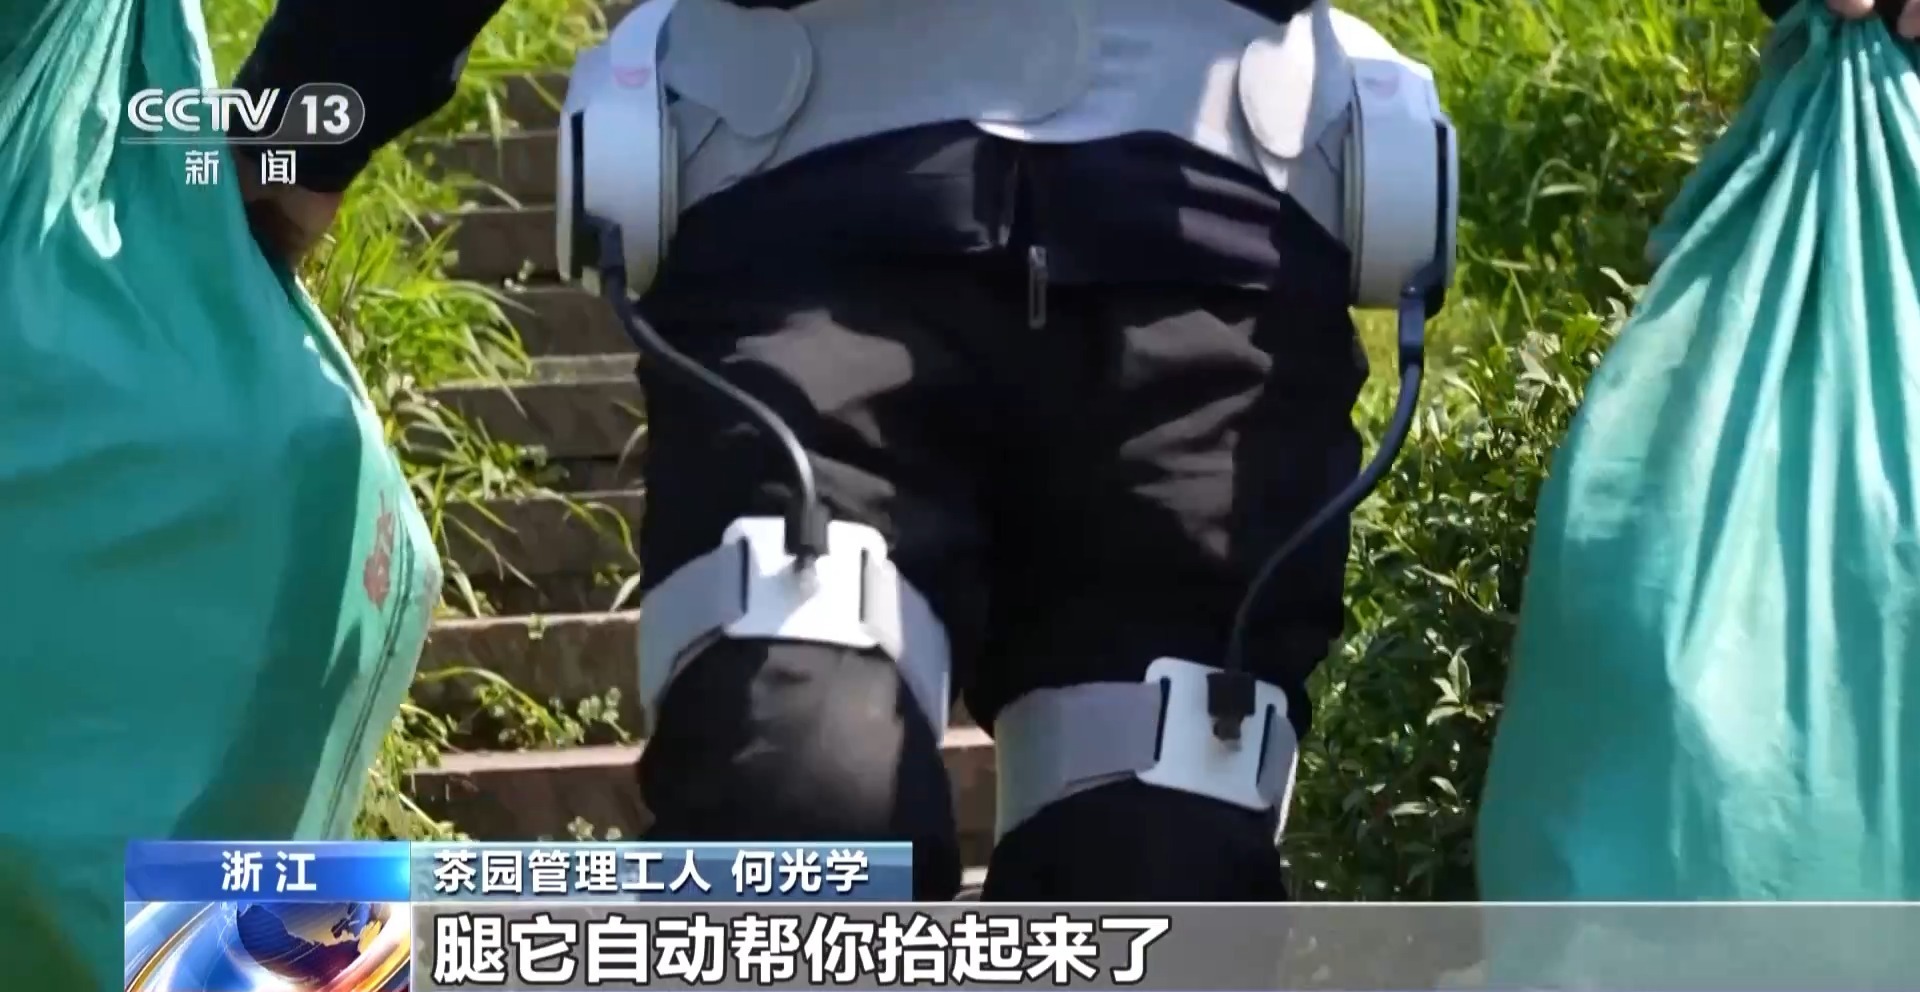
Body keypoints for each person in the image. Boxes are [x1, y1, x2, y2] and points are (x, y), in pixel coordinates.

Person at [235, 0, 1916, 906]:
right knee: (799, 803)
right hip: (809, 257)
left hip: (1219, 285)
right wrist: (288, 131)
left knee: (1160, 868)